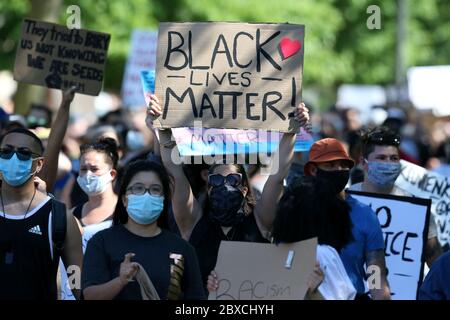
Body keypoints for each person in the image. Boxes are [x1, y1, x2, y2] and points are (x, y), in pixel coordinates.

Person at [146, 94, 310, 291]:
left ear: (244, 188)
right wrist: (164, 127)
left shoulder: (259, 221)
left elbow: (276, 176)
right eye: (216, 180)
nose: (225, 185)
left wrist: (291, 130)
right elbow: (174, 172)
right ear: (208, 186)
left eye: (232, 180)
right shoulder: (193, 222)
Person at [257, 137, 391, 300]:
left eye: (344, 165)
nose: (339, 170)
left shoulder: (365, 215)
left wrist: (379, 294)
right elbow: (275, 180)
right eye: (330, 165)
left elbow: (375, 271)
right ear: (313, 170)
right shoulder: (295, 209)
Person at [82, 160, 205, 300]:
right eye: (138, 188)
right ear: (124, 199)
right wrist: (120, 281)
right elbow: (89, 295)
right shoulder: (101, 242)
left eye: (155, 189)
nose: (146, 195)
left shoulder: (182, 249)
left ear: (164, 199)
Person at [0, 128, 82, 300]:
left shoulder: (60, 217)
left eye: (24, 153)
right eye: (6, 151)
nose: (13, 158)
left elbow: (78, 282)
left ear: (38, 164)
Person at [349, 126, 442, 267]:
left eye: (394, 158)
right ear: (363, 162)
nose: (389, 164)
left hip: (404, 288)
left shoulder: (417, 208)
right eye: (381, 158)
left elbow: (436, 262)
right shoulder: (345, 202)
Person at [60, 137, 119, 300]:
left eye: (94, 169)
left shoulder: (125, 214)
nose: (88, 175)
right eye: (83, 169)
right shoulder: (71, 215)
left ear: (112, 174)